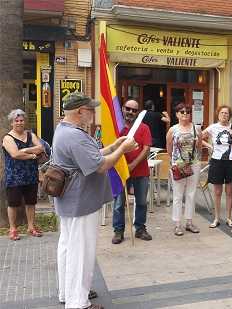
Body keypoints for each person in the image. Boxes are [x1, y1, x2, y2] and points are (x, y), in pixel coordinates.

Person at [53, 92, 136, 309]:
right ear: (80, 111)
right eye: (90, 109)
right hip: (81, 202)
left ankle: (68, 292)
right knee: (81, 252)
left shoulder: (64, 130)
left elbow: (93, 155)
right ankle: (78, 302)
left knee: (68, 248)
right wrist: (122, 150)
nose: (93, 113)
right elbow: (101, 165)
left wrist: (113, 146)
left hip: (71, 201)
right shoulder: (75, 136)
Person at [112, 99, 153, 244]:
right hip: (120, 171)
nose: (130, 112)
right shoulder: (116, 127)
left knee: (141, 202)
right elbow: (111, 147)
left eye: (134, 110)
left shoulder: (144, 128)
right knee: (118, 204)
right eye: (128, 108)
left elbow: (146, 148)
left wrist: (133, 165)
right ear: (122, 108)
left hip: (140, 172)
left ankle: (140, 229)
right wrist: (124, 166)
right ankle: (118, 231)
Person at [2, 109, 44, 241]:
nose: (19, 123)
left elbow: (41, 148)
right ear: (11, 123)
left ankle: (31, 227)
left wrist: (25, 149)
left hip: (31, 175)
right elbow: (15, 154)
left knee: (31, 203)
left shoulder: (31, 135)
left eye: (21, 120)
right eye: (16, 121)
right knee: (13, 204)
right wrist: (32, 155)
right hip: (14, 177)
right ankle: (13, 229)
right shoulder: (8, 138)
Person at [166, 102, 203, 236]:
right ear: (177, 114)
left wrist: (195, 159)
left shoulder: (196, 129)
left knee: (191, 194)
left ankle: (189, 222)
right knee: (177, 195)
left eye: (187, 112)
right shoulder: (173, 129)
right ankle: (177, 224)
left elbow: (199, 145)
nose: (185, 114)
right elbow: (169, 146)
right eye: (182, 112)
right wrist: (174, 161)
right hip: (179, 164)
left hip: (194, 163)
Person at [202, 105, 232, 228]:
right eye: (222, 113)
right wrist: (209, 146)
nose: (224, 115)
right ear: (218, 114)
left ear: (230, 115)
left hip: (231, 161)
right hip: (217, 161)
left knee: (229, 191)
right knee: (217, 191)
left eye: (227, 113)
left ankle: (229, 218)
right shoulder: (213, 127)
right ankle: (217, 218)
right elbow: (199, 138)